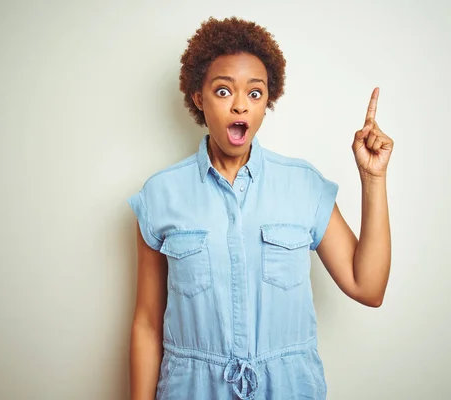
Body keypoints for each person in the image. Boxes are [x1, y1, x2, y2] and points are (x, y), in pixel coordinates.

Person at [128, 16, 393, 400]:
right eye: (223, 91)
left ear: (268, 100)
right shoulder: (159, 195)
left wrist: (373, 179)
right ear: (199, 98)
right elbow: (148, 324)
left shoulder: (304, 186)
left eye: (255, 93)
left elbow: (368, 287)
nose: (240, 106)